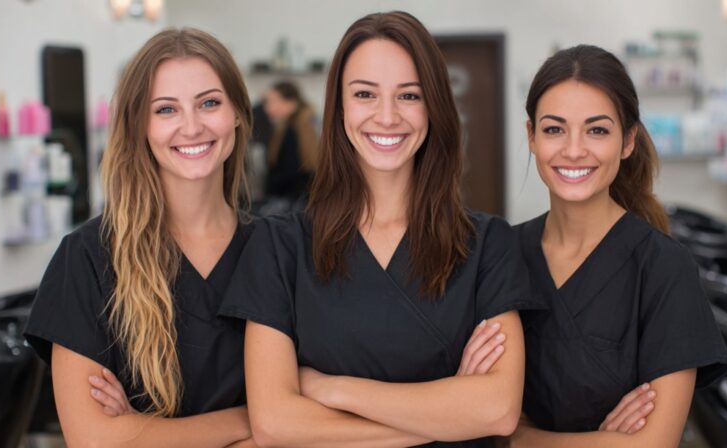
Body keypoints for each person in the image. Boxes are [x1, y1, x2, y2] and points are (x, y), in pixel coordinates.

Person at [219, 11, 544, 447]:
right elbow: (276, 423)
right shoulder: (279, 246)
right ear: (339, 107)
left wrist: (333, 390)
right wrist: (445, 414)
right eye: (365, 94)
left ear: (435, 107)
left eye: (409, 96)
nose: (387, 116)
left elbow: (497, 410)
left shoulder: (488, 245)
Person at [24, 28, 257, 447]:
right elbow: (95, 440)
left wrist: (142, 431)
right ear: (139, 125)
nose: (191, 126)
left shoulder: (277, 250)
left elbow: (313, 417)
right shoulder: (88, 259)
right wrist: (258, 419)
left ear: (237, 112)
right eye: (166, 109)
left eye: (209, 103)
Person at [509, 44, 727, 447]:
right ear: (531, 137)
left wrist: (520, 438)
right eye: (554, 129)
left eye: (597, 130)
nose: (574, 149)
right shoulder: (502, 254)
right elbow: (476, 414)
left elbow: (654, 443)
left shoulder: (664, 268)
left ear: (628, 141)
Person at [262, 80, 318, 199]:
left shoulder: (291, 132)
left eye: (272, 102)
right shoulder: (306, 126)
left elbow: (287, 175)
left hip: (290, 203)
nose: (267, 108)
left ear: (291, 103)